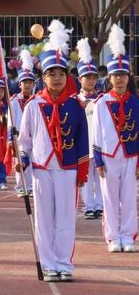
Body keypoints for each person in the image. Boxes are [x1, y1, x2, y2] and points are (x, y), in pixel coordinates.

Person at [18, 20, 89, 283]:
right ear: (43, 78)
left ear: (67, 77)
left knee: (66, 218)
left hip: (68, 167)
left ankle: (64, 263)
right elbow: (24, 140)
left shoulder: (76, 106)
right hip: (41, 168)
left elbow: (83, 140)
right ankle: (48, 263)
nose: (57, 78)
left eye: (61, 73)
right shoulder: (33, 105)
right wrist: (22, 160)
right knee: (44, 219)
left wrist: (82, 170)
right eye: (51, 74)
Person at [92, 25, 139, 253]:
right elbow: (97, 132)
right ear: (109, 78)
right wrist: (98, 159)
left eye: (123, 75)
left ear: (128, 77)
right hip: (109, 155)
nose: (119, 79)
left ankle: (128, 236)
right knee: (109, 198)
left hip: (131, 155)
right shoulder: (101, 102)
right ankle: (112, 237)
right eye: (115, 75)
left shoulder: (136, 102)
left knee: (129, 197)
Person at [75, 38, 103, 220]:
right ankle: (89, 205)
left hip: (98, 143)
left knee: (100, 176)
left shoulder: (102, 99)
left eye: (94, 78)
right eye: (88, 78)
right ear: (80, 79)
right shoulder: (74, 99)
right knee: (85, 176)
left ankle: (100, 205)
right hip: (82, 144)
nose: (91, 81)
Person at [8, 50, 34, 197]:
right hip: (18, 135)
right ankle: (20, 186)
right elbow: (11, 119)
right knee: (19, 161)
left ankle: (29, 186)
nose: (28, 85)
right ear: (20, 84)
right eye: (25, 82)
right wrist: (10, 138)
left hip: (33, 134)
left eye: (30, 82)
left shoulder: (36, 100)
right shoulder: (14, 100)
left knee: (31, 160)